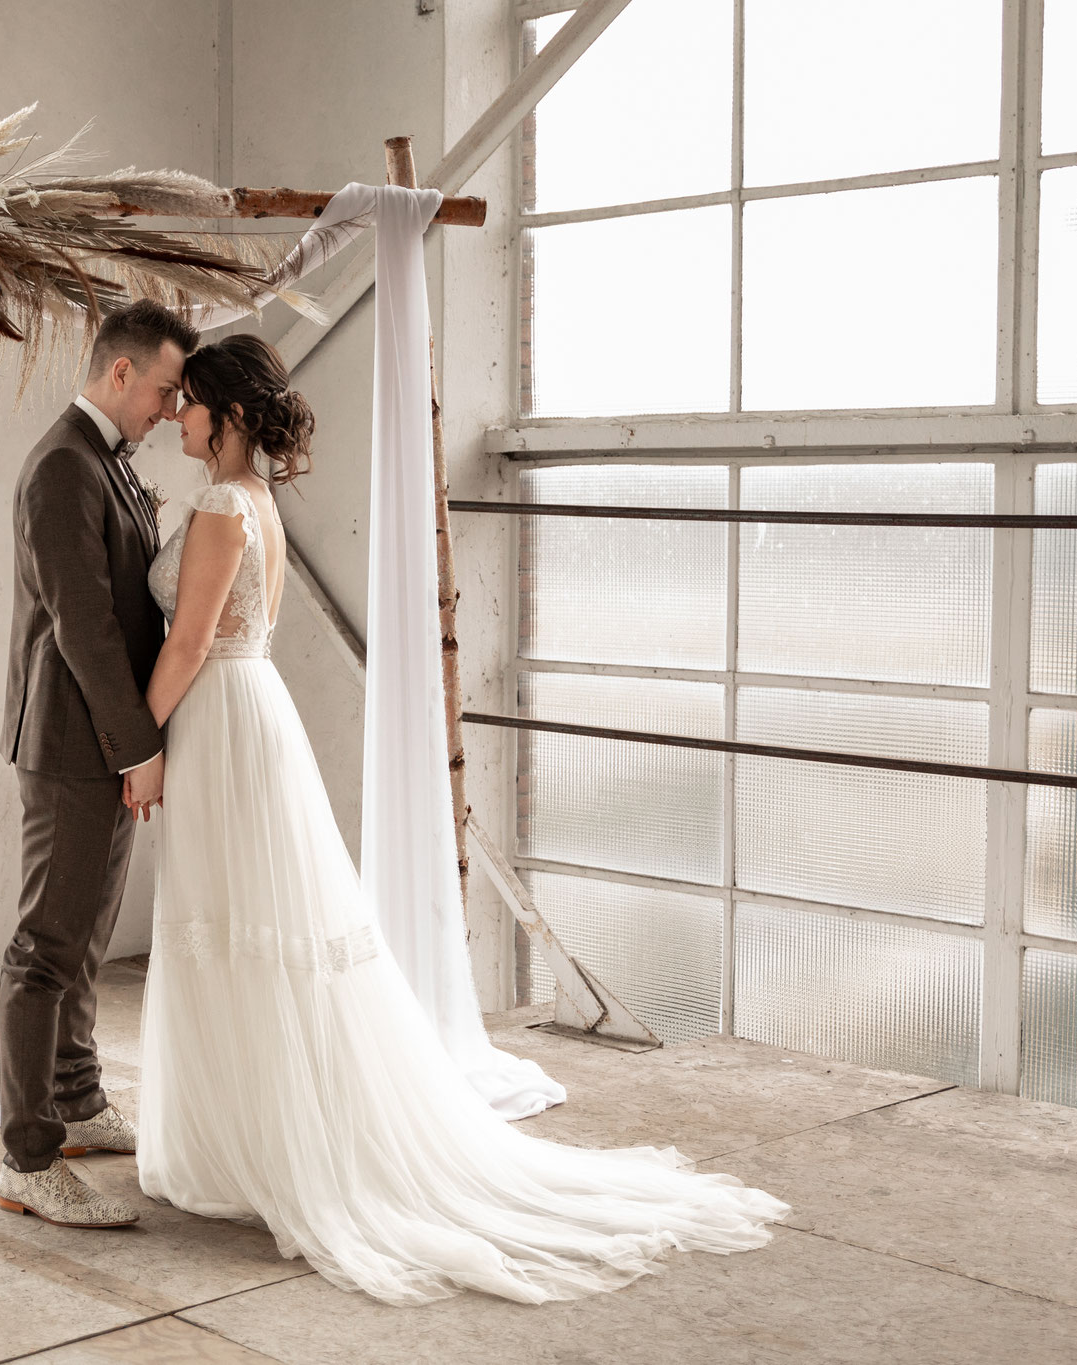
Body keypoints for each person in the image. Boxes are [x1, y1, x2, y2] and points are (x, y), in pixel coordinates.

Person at [132, 331, 791, 1306]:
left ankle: (257, 1149)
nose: (175, 416)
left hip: (221, 715)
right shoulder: (253, 501)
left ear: (228, 414)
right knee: (242, 929)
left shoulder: (225, 506)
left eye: (188, 400)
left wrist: (134, 746)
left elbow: (188, 644)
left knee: (234, 928)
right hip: (246, 712)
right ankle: (244, 1137)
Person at [0, 300, 194, 1227]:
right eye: (164, 390)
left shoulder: (104, 460)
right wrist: (139, 746)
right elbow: (85, 629)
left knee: (84, 941)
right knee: (46, 948)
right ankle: (28, 1159)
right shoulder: (62, 467)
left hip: (99, 742)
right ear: (121, 373)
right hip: (74, 743)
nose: (169, 408)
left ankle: (75, 1101)